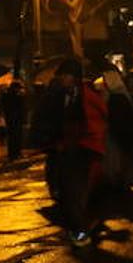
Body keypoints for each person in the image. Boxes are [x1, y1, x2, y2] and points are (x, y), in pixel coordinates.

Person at [33, 59, 108, 247]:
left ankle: (81, 231)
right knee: (72, 191)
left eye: (64, 75)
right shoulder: (65, 94)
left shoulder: (85, 95)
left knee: (74, 191)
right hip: (70, 149)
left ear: (72, 77)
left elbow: (97, 119)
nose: (61, 79)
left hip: (82, 149)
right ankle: (81, 228)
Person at [100, 64, 133, 193]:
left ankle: (121, 183)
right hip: (122, 135)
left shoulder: (116, 99)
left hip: (119, 135)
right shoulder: (120, 97)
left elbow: (120, 119)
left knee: (118, 161)